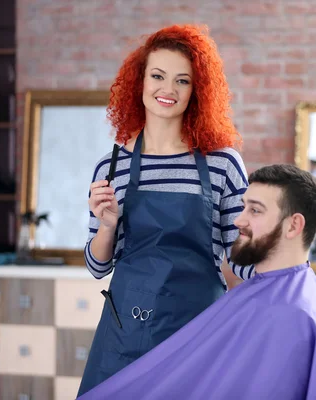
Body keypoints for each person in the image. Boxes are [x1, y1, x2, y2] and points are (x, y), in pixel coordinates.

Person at [77, 24, 255, 396]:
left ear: (197, 91)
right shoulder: (112, 167)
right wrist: (107, 226)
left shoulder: (222, 164)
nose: (168, 90)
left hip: (197, 333)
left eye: (182, 81)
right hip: (124, 334)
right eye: (157, 76)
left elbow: (242, 254)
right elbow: (97, 267)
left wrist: (286, 280)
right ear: (139, 82)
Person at [78, 164, 316, 400]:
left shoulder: (289, 316)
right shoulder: (281, 293)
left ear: (293, 226)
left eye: (254, 211)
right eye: (244, 207)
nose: (238, 220)